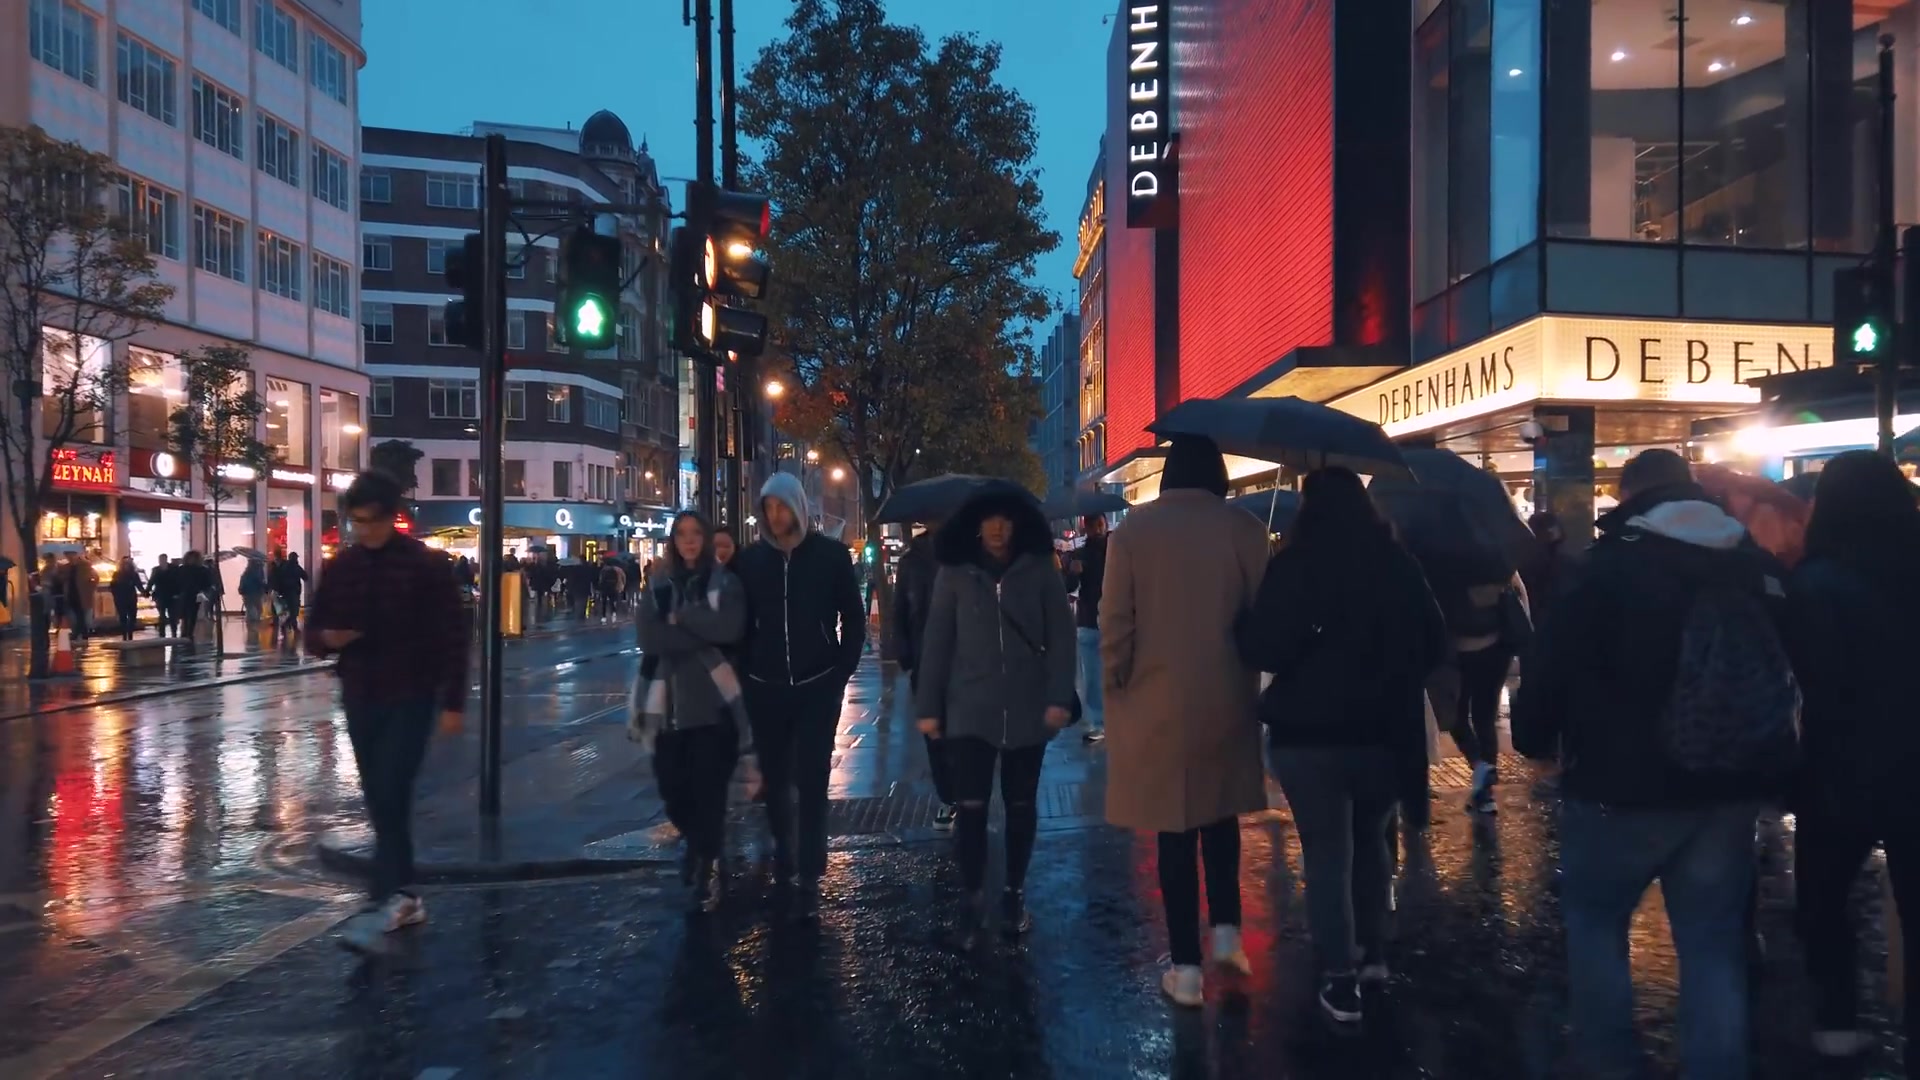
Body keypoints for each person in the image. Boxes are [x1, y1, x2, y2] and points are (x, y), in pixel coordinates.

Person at [1514, 449, 1793, 1080]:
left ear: (1632, 495)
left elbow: (1549, 670)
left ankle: (1612, 1065)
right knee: (1712, 943)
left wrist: (1535, 737)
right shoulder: (1750, 565)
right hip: (1727, 786)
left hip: (1619, 786)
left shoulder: (1606, 570)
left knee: (1596, 928)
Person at [1237, 467, 1446, 1026]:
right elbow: (1433, 641)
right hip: (1381, 735)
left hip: (1309, 739)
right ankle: (1374, 955)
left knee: (1327, 854)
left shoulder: (1293, 566)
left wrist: (1247, 624)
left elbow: (1264, 651)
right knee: (1372, 843)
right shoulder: (1397, 564)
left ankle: (1339, 977)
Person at [1100, 435, 1270, 1008]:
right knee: (1220, 815)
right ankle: (1227, 932)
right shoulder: (1246, 528)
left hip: (1157, 700)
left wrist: (1115, 685)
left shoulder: (1134, 533)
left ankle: (1187, 969)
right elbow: (1262, 620)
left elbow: (1116, 623)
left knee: (1173, 829)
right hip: (1227, 696)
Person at [1782, 450, 1919, 1065]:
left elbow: (1813, 681)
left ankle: (1837, 1019)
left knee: (1824, 897)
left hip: (1840, 763)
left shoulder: (1813, 582)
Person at [307, 471, 470, 952]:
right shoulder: (343, 568)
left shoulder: (424, 566)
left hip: (411, 692)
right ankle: (402, 892)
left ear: (390, 518)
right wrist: (327, 640)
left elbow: (452, 635)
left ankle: (390, 893)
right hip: (361, 693)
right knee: (379, 794)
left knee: (390, 785)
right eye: (357, 522)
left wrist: (453, 701)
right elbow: (314, 628)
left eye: (373, 521)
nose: (365, 531)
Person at [913, 494, 1075, 943]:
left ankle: (1013, 891)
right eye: (990, 520)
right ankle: (971, 897)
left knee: (1021, 806)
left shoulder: (1041, 568)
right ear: (977, 526)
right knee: (970, 806)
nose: (998, 529)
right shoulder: (956, 573)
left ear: (1018, 524)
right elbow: (938, 640)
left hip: (1027, 706)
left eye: (1005, 520)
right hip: (970, 708)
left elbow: (1061, 636)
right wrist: (929, 706)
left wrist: (1059, 695)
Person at [731, 472, 865, 918]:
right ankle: (785, 855)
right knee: (774, 780)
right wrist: (746, 674)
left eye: (781, 506)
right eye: (768, 507)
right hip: (765, 687)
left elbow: (853, 615)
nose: (775, 515)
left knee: (811, 780)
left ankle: (810, 867)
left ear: (798, 507)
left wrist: (840, 671)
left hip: (816, 686)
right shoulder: (751, 561)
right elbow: (738, 621)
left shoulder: (829, 556)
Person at [633, 510, 750, 913]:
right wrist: (697, 632)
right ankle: (698, 845)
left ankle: (704, 863)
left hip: (713, 707)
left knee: (710, 793)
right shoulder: (659, 583)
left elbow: (729, 628)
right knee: (674, 794)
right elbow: (649, 636)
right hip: (666, 709)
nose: (688, 541)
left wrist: (681, 618)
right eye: (681, 534)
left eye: (695, 533)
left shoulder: (725, 582)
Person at [892, 518, 955, 830]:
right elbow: (900, 609)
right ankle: (948, 796)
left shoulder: (965, 555)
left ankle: (965, 796)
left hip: (963, 659)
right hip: (925, 659)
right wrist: (906, 656)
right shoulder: (911, 562)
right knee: (935, 735)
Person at [1060, 513, 1109, 744]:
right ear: (1085, 527)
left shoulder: (1116, 549)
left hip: (1114, 619)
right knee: (1091, 677)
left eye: (1100, 523)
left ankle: (1114, 718)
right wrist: (1073, 572)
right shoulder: (1079, 554)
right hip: (1089, 619)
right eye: (1093, 525)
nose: (1098, 528)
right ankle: (1098, 722)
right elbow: (1069, 587)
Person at [173, 552, 216, 642]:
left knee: (190, 613)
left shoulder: (183, 569)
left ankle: (187, 632)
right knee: (188, 613)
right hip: (190, 593)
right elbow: (208, 582)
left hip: (191, 594)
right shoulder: (201, 569)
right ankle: (187, 632)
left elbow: (177, 581)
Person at [109, 556, 145, 640]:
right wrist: (144, 592)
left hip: (125, 598)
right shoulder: (130, 574)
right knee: (126, 617)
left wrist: (144, 592)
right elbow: (139, 585)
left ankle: (127, 635)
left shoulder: (118, 574)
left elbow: (112, 586)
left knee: (128, 617)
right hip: (126, 598)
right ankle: (127, 635)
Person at [272, 551, 308, 636]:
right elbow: (305, 577)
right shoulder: (296, 567)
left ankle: (289, 625)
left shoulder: (284, 567)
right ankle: (289, 626)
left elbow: (278, 579)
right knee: (294, 610)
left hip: (285, 592)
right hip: (294, 592)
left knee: (290, 610)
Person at [148, 554, 178, 637]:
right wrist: (147, 591)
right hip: (161, 595)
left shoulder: (173, 568)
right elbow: (151, 581)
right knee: (162, 615)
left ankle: (173, 632)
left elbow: (177, 581)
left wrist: (178, 593)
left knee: (172, 615)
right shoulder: (156, 570)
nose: (161, 561)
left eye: (162, 559)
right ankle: (162, 633)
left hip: (171, 595)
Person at [238, 557, 268, 623]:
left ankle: (252, 625)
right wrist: (265, 588)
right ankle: (253, 624)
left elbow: (243, 581)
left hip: (248, 594)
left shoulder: (246, 572)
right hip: (254, 593)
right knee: (256, 609)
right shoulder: (256, 572)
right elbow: (259, 582)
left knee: (251, 609)